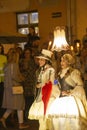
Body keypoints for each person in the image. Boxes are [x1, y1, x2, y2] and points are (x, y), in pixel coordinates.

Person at [48, 53, 87, 130]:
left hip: (70, 100)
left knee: (71, 121)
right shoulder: (59, 73)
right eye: (61, 61)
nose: (61, 63)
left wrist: (70, 92)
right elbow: (56, 83)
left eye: (64, 61)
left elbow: (80, 85)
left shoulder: (73, 72)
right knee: (60, 121)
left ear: (69, 62)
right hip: (60, 99)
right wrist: (52, 82)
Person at [28, 49, 60, 130]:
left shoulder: (50, 70)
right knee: (42, 117)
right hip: (42, 94)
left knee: (46, 117)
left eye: (42, 59)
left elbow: (53, 82)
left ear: (46, 60)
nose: (39, 61)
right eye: (39, 59)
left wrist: (57, 81)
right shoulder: (42, 70)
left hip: (49, 95)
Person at [0, 48, 29, 129]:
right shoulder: (14, 65)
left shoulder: (6, 65)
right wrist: (22, 79)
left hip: (8, 88)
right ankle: (21, 124)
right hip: (15, 88)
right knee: (20, 105)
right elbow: (15, 77)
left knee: (11, 106)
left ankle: (3, 118)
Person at [19, 48, 38, 120]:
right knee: (25, 98)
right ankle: (25, 114)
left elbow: (36, 68)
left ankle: (30, 112)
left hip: (32, 81)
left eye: (28, 53)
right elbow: (19, 71)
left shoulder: (33, 61)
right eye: (26, 53)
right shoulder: (21, 61)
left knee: (31, 98)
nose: (27, 54)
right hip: (25, 82)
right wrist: (24, 68)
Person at [0, 44, 7, 117]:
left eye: (0, 48)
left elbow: (6, 69)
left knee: (1, 99)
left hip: (2, 82)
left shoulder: (4, 57)